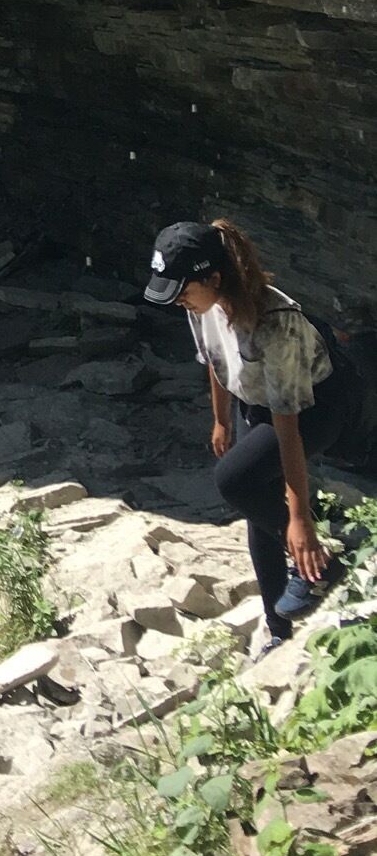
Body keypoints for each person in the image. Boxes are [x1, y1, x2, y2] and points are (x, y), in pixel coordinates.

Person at [144, 218, 353, 645]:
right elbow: (216, 364)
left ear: (214, 278)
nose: (178, 302)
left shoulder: (275, 324)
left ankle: (318, 562)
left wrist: (299, 522)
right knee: (258, 515)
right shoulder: (201, 304)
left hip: (316, 406)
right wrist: (221, 420)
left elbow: (289, 425)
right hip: (255, 399)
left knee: (236, 480)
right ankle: (279, 629)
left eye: (182, 291)